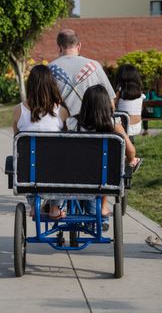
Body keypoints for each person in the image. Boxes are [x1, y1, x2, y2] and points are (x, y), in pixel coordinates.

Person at [66, 84, 141, 220]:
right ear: (106, 104)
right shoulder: (113, 124)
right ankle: (103, 206)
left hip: (75, 173)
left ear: (85, 104)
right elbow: (130, 149)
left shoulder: (72, 122)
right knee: (106, 165)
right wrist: (131, 160)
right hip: (101, 176)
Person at [13, 64, 69, 219]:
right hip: (54, 169)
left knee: (26, 160)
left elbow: (17, 139)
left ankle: (33, 205)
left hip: (29, 170)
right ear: (52, 84)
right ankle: (55, 207)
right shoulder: (61, 111)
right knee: (64, 160)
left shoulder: (18, 110)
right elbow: (68, 137)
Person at [49, 29, 116, 116]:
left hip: (60, 125)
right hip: (89, 125)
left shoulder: (49, 68)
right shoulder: (95, 66)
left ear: (59, 47)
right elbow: (110, 103)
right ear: (79, 46)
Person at [115, 64, 146, 139]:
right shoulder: (140, 93)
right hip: (137, 126)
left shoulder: (120, 91)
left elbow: (112, 106)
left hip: (123, 127)